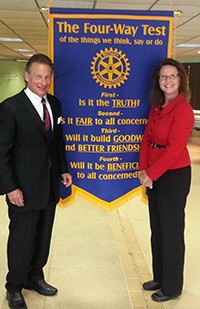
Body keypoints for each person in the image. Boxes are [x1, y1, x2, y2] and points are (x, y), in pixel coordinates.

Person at [0, 54, 72, 309]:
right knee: (21, 238)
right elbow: (2, 152)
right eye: (38, 76)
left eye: (48, 76)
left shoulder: (54, 104)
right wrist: (10, 188)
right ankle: (14, 286)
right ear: (27, 76)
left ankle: (35, 276)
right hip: (23, 189)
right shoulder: (10, 108)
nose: (43, 81)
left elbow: (56, 143)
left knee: (43, 237)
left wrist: (63, 169)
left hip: (49, 186)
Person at [138, 58, 194, 302]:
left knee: (171, 232)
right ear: (158, 81)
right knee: (157, 230)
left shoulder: (183, 110)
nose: (168, 80)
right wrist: (143, 169)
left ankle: (172, 286)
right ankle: (160, 277)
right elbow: (146, 138)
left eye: (172, 76)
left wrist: (151, 173)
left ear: (181, 80)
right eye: (163, 77)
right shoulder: (157, 107)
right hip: (155, 174)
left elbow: (174, 149)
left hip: (173, 176)